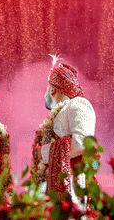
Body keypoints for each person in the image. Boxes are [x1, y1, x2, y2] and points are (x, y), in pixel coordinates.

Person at [31, 58, 96, 197]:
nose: (44, 95)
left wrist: (43, 153)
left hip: (71, 189)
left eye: (46, 89)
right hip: (51, 190)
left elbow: (82, 142)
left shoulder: (78, 104)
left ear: (53, 90)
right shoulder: (58, 113)